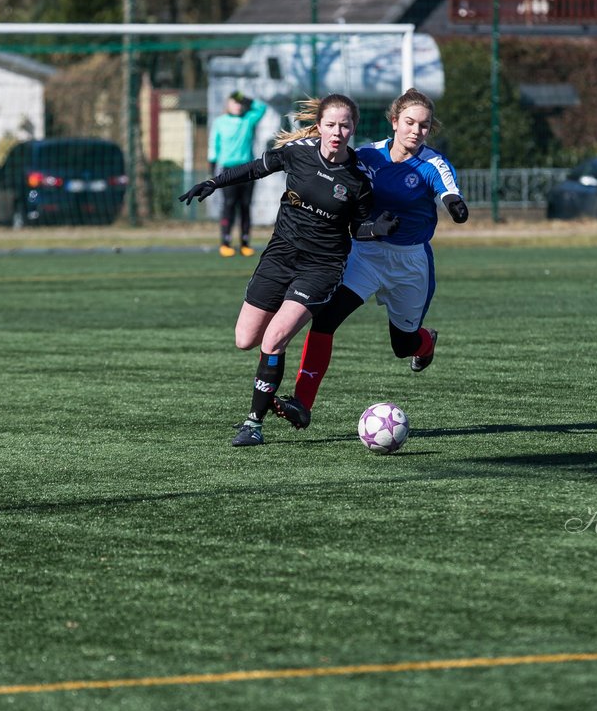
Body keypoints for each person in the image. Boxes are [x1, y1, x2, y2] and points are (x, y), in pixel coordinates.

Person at [179, 94, 398, 447]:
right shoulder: (298, 152)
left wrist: (376, 229)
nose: (337, 132)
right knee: (245, 339)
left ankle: (253, 424)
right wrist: (214, 182)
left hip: (321, 266)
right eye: (331, 125)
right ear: (320, 125)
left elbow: (358, 228)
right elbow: (254, 168)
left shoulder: (358, 178)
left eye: (344, 125)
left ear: (353, 128)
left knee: (274, 339)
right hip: (279, 257)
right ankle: (265, 407)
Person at [269, 89, 470, 431]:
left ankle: (425, 342)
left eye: (423, 126)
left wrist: (455, 206)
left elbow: (449, 190)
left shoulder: (433, 163)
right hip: (366, 255)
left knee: (402, 345)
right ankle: (302, 403)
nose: (415, 131)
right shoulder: (368, 156)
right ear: (394, 122)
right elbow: (336, 167)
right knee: (325, 319)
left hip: (410, 265)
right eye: (408, 122)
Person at [208, 91, 269, 257]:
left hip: (248, 170)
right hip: (228, 170)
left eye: (240, 103)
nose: (238, 105)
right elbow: (214, 145)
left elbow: (262, 108)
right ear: (228, 104)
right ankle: (225, 242)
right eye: (234, 102)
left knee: (245, 207)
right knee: (229, 206)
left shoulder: (248, 119)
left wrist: (247, 98)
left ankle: (244, 243)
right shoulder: (220, 122)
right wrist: (212, 168)